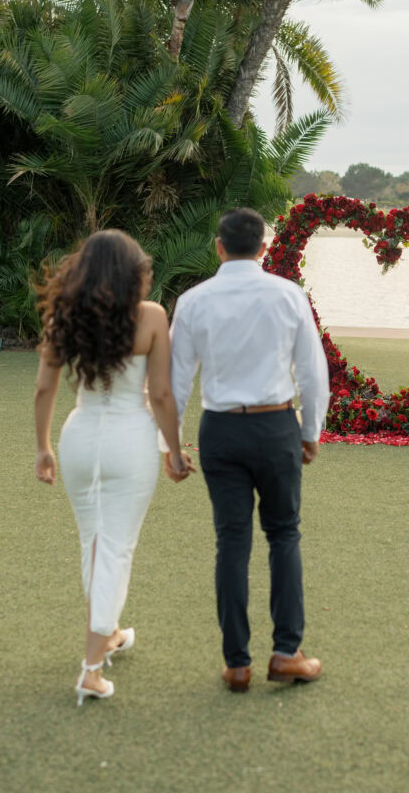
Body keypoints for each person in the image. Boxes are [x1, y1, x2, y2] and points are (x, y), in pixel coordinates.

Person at [163, 207, 330, 692]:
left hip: (219, 430)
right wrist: (311, 431)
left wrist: (170, 447)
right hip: (276, 424)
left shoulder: (193, 301)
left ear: (218, 247)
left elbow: (175, 382)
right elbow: (313, 373)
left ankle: (237, 663)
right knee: (284, 534)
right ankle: (286, 652)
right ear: (264, 248)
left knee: (231, 540)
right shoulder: (288, 294)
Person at [33, 230, 195, 706]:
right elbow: (162, 395)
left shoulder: (64, 315)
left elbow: (45, 387)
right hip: (130, 440)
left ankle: (108, 633)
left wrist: (43, 447)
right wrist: (175, 449)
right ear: (135, 273)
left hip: (81, 436)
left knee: (96, 541)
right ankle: (89, 668)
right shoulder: (150, 317)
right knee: (115, 546)